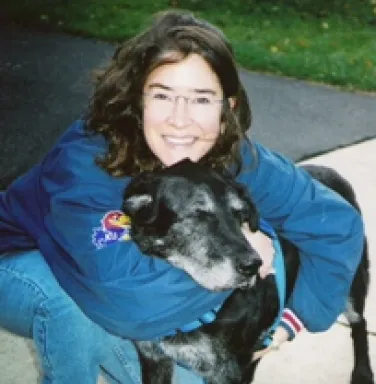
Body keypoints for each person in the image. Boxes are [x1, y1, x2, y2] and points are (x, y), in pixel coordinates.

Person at [0, 9, 364, 384]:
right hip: (17, 260)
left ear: (228, 108)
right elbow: (129, 303)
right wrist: (238, 262)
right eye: (163, 95)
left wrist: (294, 319)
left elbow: (336, 223)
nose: (180, 119)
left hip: (114, 287)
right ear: (135, 100)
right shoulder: (86, 165)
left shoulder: (230, 154)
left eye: (202, 99)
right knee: (71, 306)